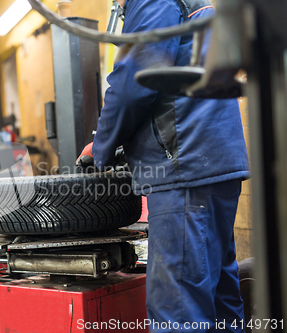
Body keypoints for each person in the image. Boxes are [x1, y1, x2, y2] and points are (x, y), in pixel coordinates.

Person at [77, 0, 250, 332]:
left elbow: (134, 83)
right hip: (213, 161)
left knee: (178, 311)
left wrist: (103, 147)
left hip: (182, 167)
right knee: (219, 300)